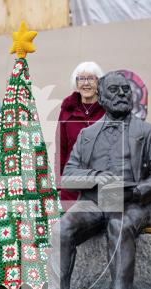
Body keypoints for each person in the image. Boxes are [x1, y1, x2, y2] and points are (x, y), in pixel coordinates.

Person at [23, 71, 151, 289]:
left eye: (125, 90)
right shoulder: (87, 135)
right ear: (102, 96)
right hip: (96, 199)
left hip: (136, 201)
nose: (122, 94)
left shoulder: (149, 132)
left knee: (119, 224)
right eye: (115, 90)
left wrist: (136, 192)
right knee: (61, 229)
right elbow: (68, 175)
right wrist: (97, 178)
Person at [54, 62, 105, 210]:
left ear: (98, 82)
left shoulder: (107, 111)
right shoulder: (67, 111)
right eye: (81, 79)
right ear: (76, 83)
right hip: (72, 185)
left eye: (91, 78)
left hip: (101, 184)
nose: (86, 83)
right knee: (72, 228)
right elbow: (60, 149)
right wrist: (59, 182)